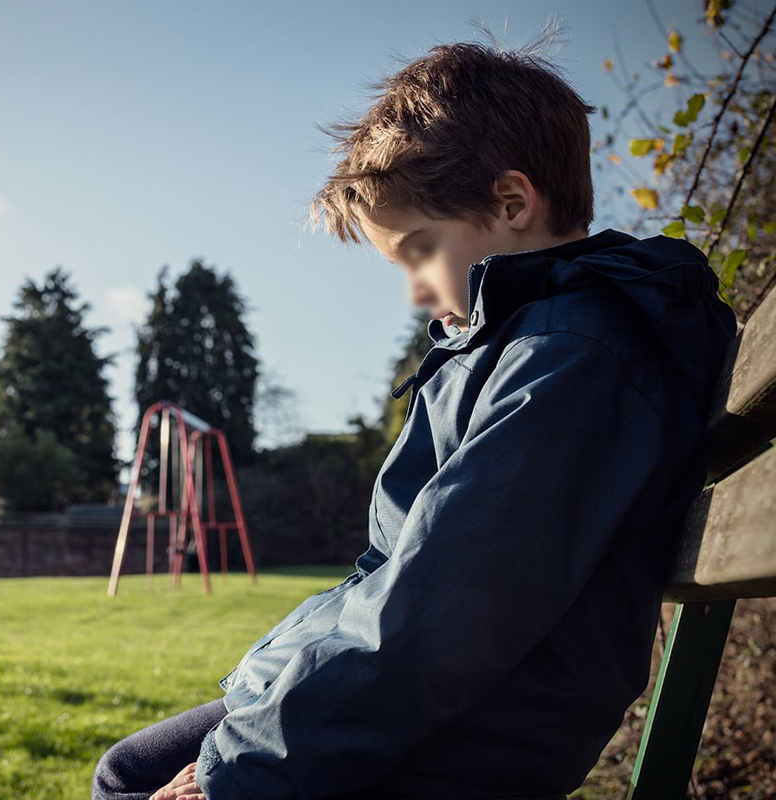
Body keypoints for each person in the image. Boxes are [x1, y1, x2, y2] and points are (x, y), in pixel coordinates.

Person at [91, 33, 739, 800]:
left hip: (472, 730)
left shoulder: (576, 358)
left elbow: (445, 607)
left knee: (133, 781)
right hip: (437, 703)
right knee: (134, 768)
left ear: (512, 202)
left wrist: (244, 767)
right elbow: (398, 572)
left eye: (419, 253)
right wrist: (271, 687)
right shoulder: (511, 346)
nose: (416, 293)